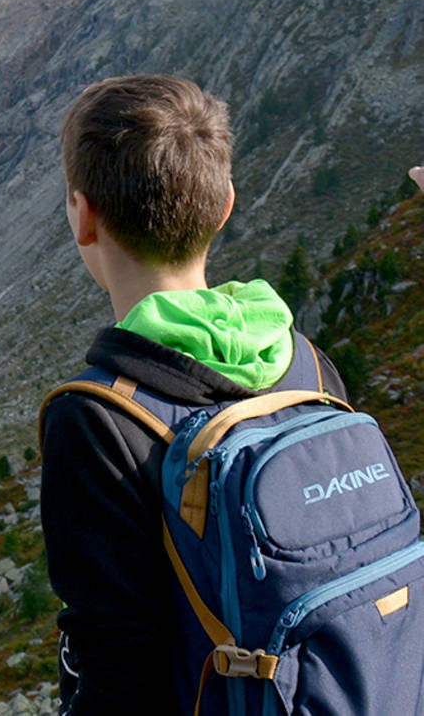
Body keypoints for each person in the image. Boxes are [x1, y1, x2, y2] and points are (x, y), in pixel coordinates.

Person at [39, 74, 347, 713]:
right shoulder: (306, 364)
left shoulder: (97, 418)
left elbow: (119, 674)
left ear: (82, 214)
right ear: (226, 202)